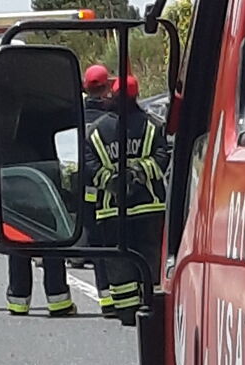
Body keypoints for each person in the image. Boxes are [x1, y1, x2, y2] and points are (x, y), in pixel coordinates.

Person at [85, 75, 170, 326]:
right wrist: (139, 173)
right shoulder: (153, 126)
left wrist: (113, 182)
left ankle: (126, 310)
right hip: (149, 206)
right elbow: (162, 156)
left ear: (112, 94)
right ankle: (150, 306)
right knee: (149, 258)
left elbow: (89, 166)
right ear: (136, 96)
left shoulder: (96, 131)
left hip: (113, 209)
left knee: (119, 260)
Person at [80, 65, 115, 317]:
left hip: (86, 191)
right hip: (115, 192)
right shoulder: (114, 119)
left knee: (97, 245)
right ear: (106, 89)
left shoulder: (73, 115)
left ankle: (106, 296)